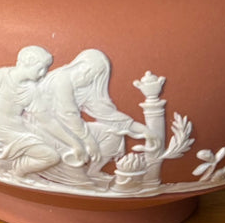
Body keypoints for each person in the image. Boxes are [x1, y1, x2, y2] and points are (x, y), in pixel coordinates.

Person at [32, 49, 145, 185]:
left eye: (94, 75)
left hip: (67, 127)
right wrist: (89, 141)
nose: (89, 78)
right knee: (88, 140)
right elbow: (68, 114)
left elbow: (105, 113)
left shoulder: (82, 86)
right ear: (80, 65)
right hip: (46, 129)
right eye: (90, 72)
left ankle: (93, 171)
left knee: (113, 134)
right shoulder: (62, 79)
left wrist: (142, 130)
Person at [0, 45, 64, 177]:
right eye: (41, 68)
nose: (44, 73)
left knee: (54, 151)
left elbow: (46, 120)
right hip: (0, 132)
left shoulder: (31, 89)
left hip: (18, 130)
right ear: (27, 63)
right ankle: (18, 172)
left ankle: (16, 172)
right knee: (51, 157)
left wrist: (74, 143)